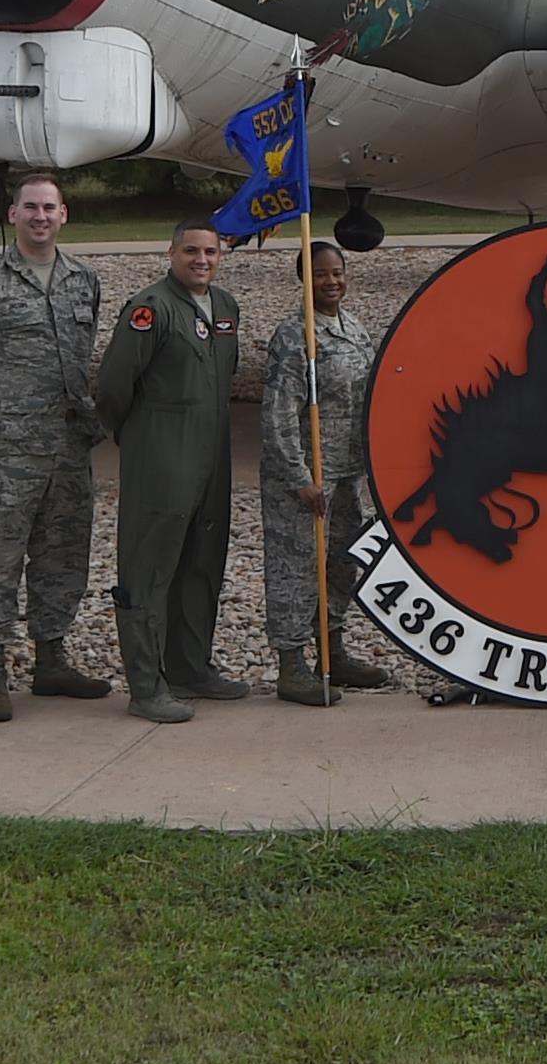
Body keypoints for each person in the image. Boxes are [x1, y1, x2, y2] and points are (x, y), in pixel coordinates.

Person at [0, 172, 114, 719]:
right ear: (12, 215)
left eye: (50, 207)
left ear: (64, 215)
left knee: (63, 556)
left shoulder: (83, 280)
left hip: (67, 447)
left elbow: (83, 354)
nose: (41, 216)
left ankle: (52, 658)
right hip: (5, 450)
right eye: (31, 207)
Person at [89, 220, 248, 723]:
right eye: (191, 251)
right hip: (161, 452)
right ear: (172, 253)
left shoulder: (225, 307)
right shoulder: (149, 309)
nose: (202, 260)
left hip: (211, 454)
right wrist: (137, 435)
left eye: (211, 252)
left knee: (202, 561)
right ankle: (146, 684)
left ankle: (189, 666)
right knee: (150, 565)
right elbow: (115, 383)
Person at [259, 238, 388, 705]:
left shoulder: (352, 328)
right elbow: (278, 413)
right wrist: (298, 477)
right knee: (297, 569)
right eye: (320, 275)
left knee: (341, 564)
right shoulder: (296, 336)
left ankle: (333, 650)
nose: (331, 282)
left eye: (337, 273)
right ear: (303, 279)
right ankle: (291, 665)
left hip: (347, 473)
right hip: (307, 479)